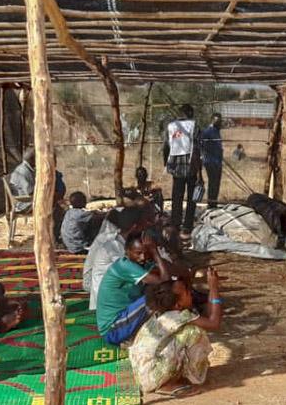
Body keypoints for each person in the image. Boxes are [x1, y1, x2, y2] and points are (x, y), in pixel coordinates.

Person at [129, 268, 222, 395]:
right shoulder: (180, 316)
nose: (190, 293)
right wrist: (214, 288)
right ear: (178, 305)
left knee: (186, 334)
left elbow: (208, 317)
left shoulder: (162, 313)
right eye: (187, 293)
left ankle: (171, 379)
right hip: (151, 377)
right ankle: (171, 384)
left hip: (142, 375)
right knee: (194, 333)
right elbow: (213, 323)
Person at [95, 231, 173, 346]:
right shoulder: (125, 266)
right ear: (127, 252)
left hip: (122, 320)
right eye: (138, 253)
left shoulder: (142, 264)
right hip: (112, 330)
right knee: (158, 294)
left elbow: (173, 271)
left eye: (146, 253)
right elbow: (166, 283)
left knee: (158, 290)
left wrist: (155, 255)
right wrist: (155, 253)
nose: (142, 257)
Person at [82, 205, 153, 308]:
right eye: (144, 224)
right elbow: (142, 276)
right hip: (106, 302)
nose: (146, 227)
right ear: (134, 227)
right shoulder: (113, 245)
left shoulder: (122, 241)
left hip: (112, 294)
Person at [8, 146, 67, 241]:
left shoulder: (29, 169)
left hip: (30, 199)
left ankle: (54, 234)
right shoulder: (23, 172)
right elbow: (31, 192)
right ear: (33, 159)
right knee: (56, 207)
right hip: (25, 203)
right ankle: (52, 235)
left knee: (57, 201)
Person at [163, 104, 202, 238]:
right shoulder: (194, 126)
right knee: (192, 199)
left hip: (177, 167)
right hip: (191, 167)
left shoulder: (171, 126)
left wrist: (167, 164)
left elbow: (166, 147)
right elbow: (197, 150)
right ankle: (187, 228)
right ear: (190, 112)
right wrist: (200, 173)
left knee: (177, 198)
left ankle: (175, 225)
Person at [199, 113, 224, 209]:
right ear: (212, 120)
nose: (220, 123)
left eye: (220, 121)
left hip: (218, 161)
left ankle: (214, 202)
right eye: (218, 121)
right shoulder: (207, 131)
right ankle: (211, 203)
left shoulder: (217, 131)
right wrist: (204, 155)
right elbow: (201, 144)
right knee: (213, 182)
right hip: (210, 161)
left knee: (216, 182)